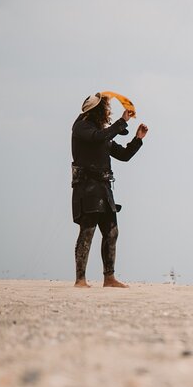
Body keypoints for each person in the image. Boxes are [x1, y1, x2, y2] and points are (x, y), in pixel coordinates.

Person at [71, 93, 148, 288]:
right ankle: (80, 279)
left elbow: (123, 155)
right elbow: (98, 138)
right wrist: (122, 122)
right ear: (96, 111)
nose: (107, 112)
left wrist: (137, 139)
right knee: (87, 231)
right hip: (87, 188)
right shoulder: (82, 127)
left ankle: (109, 278)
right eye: (105, 108)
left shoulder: (102, 132)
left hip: (104, 189)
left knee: (112, 232)